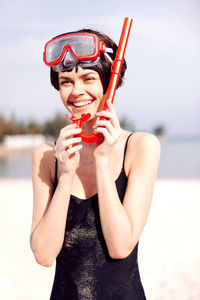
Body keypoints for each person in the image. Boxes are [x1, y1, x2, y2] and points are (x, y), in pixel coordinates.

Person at [30, 27, 161, 300]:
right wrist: (65, 177)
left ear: (108, 82)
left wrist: (102, 160)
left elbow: (120, 246)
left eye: (88, 79)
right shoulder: (47, 156)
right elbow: (43, 255)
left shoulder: (140, 147)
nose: (76, 91)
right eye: (66, 81)